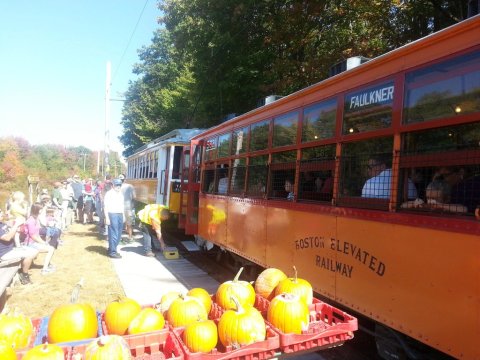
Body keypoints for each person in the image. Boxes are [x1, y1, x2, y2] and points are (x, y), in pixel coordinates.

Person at [0, 209, 39, 285]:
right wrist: (16, 225)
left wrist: (17, 227)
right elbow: (7, 238)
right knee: (29, 254)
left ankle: (23, 269)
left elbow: (12, 233)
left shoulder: (2, 224)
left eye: (1, 211)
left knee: (34, 251)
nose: (2, 213)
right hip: (4, 253)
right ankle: (24, 275)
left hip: (11, 249)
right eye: (0, 212)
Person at [402, 177, 467, 213]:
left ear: (447, 199)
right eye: (428, 198)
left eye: (435, 198)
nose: (430, 201)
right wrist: (414, 203)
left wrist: (440, 206)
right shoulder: (424, 206)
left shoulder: (448, 207)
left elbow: (464, 209)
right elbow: (402, 206)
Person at [24, 203, 56, 275]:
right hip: (29, 244)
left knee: (50, 247)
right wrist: (42, 242)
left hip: (34, 242)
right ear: (37, 210)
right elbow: (32, 236)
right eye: (41, 209)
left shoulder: (36, 219)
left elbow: (37, 234)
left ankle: (47, 266)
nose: (42, 210)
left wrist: (43, 242)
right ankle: (44, 269)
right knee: (51, 249)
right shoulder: (31, 220)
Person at [103, 178, 125, 258]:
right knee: (113, 234)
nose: (118, 186)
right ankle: (112, 252)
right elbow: (106, 206)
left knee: (118, 234)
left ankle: (112, 249)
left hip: (120, 215)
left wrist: (124, 216)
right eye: (117, 185)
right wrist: (107, 218)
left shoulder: (121, 194)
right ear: (113, 185)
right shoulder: (109, 194)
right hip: (112, 214)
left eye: (119, 185)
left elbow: (122, 205)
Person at [119, 174, 136, 243]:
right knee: (129, 223)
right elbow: (134, 197)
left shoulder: (117, 187)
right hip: (128, 207)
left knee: (119, 223)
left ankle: (119, 238)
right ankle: (130, 237)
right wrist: (132, 205)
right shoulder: (130, 186)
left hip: (119, 207)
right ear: (125, 179)